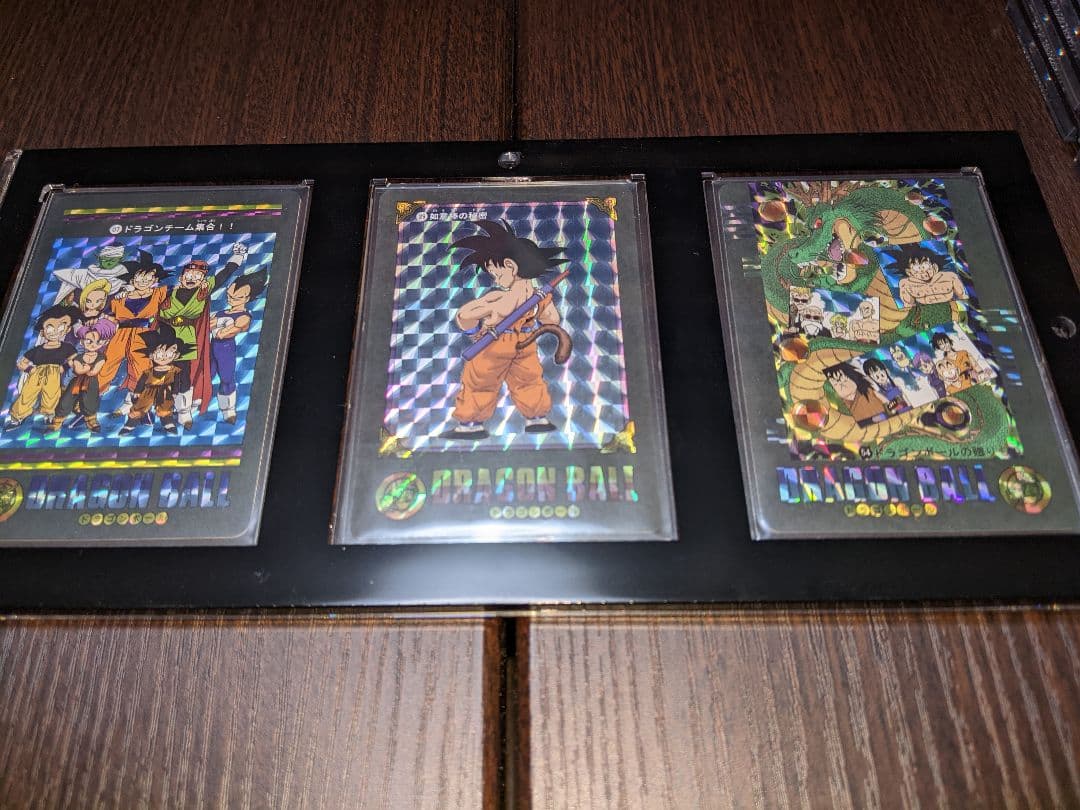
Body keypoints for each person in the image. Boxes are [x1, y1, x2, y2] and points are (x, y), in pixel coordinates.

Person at [442, 219, 570, 439]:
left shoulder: (502, 298)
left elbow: (464, 316)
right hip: (519, 343)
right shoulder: (535, 298)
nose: (496, 279)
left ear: (510, 266)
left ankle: (473, 424)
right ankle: (535, 418)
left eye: (497, 274)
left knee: (487, 382)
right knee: (525, 380)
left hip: (500, 344)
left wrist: (474, 332)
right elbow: (552, 320)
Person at [157, 243, 248, 428]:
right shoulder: (168, 293)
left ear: (202, 280)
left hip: (187, 339)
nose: (192, 278)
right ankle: (167, 409)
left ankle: (184, 413)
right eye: (189, 275)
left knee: (184, 376)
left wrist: (237, 256)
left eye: (197, 276)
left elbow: (223, 275)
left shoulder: (203, 291)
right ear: (182, 277)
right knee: (167, 375)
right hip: (166, 338)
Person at [98, 250, 171, 412]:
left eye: (149, 278)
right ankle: (90, 398)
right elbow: (106, 315)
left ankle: (135, 403)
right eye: (140, 277)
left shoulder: (160, 293)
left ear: (155, 280)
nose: (144, 281)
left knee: (141, 368)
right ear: (132, 279)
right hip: (120, 334)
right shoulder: (120, 297)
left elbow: (180, 292)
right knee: (106, 366)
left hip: (143, 334)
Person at [6, 305, 79, 428]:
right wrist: (29, 369)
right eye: (50, 328)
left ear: (67, 329)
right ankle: (17, 418)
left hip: (54, 373)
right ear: (42, 331)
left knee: (52, 395)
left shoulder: (66, 347)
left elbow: (75, 358)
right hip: (36, 373)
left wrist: (65, 367)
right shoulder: (37, 350)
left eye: (61, 327)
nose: (55, 332)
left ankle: (49, 415)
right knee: (27, 395)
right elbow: (21, 362)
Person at [210, 268, 267, 423]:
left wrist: (220, 327)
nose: (230, 300)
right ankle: (192, 405)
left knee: (227, 378)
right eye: (229, 295)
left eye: (236, 298)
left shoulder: (244, 316)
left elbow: (226, 333)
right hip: (211, 348)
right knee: (205, 376)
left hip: (225, 350)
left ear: (247, 298)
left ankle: (228, 410)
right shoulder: (220, 313)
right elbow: (207, 326)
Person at [119, 324, 192, 436]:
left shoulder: (175, 370)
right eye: (159, 354)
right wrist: (138, 391)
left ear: (176, 355)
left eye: (168, 354)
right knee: (139, 407)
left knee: (165, 408)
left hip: (165, 392)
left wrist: (175, 392)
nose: (163, 357)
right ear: (151, 355)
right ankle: (129, 425)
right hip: (148, 391)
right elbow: (141, 381)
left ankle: (168, 423)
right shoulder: (148, 371)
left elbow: (176, 382)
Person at [50, 320, 117, 433]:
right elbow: (77, 370)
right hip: (76, 383)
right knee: (66, 400)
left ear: (105, 342)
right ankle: (57, 421)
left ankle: (91, 420)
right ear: (82, 341)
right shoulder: (79, 357)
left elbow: (93, 372)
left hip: (91, 383)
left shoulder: (101, 357)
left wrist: (85, 369)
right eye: (89, 341)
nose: (93, 344)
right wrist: (83, 369)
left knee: (90, 401)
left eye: (98, 341)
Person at [892, 244, 968, 307]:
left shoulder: (950, 277)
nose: (924, 273)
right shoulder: (906, 285)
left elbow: (963, 297)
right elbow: (908, 305)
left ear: (935, 267)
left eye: (926, 267)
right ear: (909, 272)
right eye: (917, 270)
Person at [52, 245, 128, 304]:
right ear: (99, 259)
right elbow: (66, 282)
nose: (109, 263)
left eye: (113, 260)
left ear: (120, 260)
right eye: (105, 259)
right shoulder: (82, 274)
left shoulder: (123, 276)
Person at [825, 361, 888, 426]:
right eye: (836, 384)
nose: (842, 384)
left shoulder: (868, 391)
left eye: (845, 380)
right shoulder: (841, 407)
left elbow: (886, 402)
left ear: (853, 377)